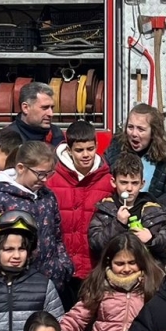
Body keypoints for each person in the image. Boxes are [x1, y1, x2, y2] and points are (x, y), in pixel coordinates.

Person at [0, 140, 73, 290]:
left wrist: (62, 266)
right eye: (40, 174)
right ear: (21, 168)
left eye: (49, 174)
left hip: (50, 281)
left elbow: (57, 237)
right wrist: (1, 274)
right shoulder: (0, 198)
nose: (44, 179)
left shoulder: (48, 196)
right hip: (13, 284)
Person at [48, 120, 115, 304]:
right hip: (60, 271)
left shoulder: (108, 181)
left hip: (95, 270)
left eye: (90, 149)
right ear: (69, 150)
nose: (86, 155)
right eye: (79, 150)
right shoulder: (51, 179)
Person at [90, 153, 166, 264]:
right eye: (124, 182)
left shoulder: (155, 209)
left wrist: (151, 239)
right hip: (114, 270)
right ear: (113, 182)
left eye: (134, 183)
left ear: (142, 184)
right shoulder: (105, 208)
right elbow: (95, 244)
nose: (129, 188)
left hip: (148, 272)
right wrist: (118, 224)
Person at [104, 102, 166, 201]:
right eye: (130, 127)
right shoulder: (115, 149)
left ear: (153, 132)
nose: (134, 134)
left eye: (141, 129)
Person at [2, 80, 66, 145]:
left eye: (52, 108)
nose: (51, 114)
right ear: (25, 108)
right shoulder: (5, 139)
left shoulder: (57, 134)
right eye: (44, 108)